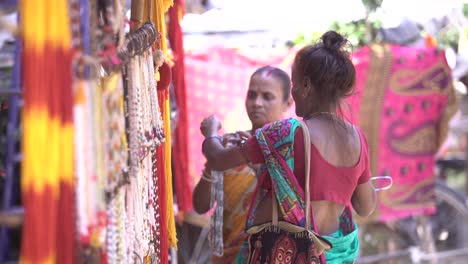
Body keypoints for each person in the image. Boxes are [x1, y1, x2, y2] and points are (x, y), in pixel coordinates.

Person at [199, 31, 377, 263]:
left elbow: (217, 159)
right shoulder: (358, 139)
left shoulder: (284, 134)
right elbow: (365, 207)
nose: (293, 91)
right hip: (335, 256)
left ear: (305, 85)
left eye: (293, 83)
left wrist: (211, 131)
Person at [193, 66, 293, 263]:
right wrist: (214, 161)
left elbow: (291, 210)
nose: (257, 103)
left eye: (267, 96)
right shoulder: (227, 148)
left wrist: (259, 168)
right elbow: (200, 205)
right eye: (252, 95)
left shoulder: (289, 152)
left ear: (287, 103)